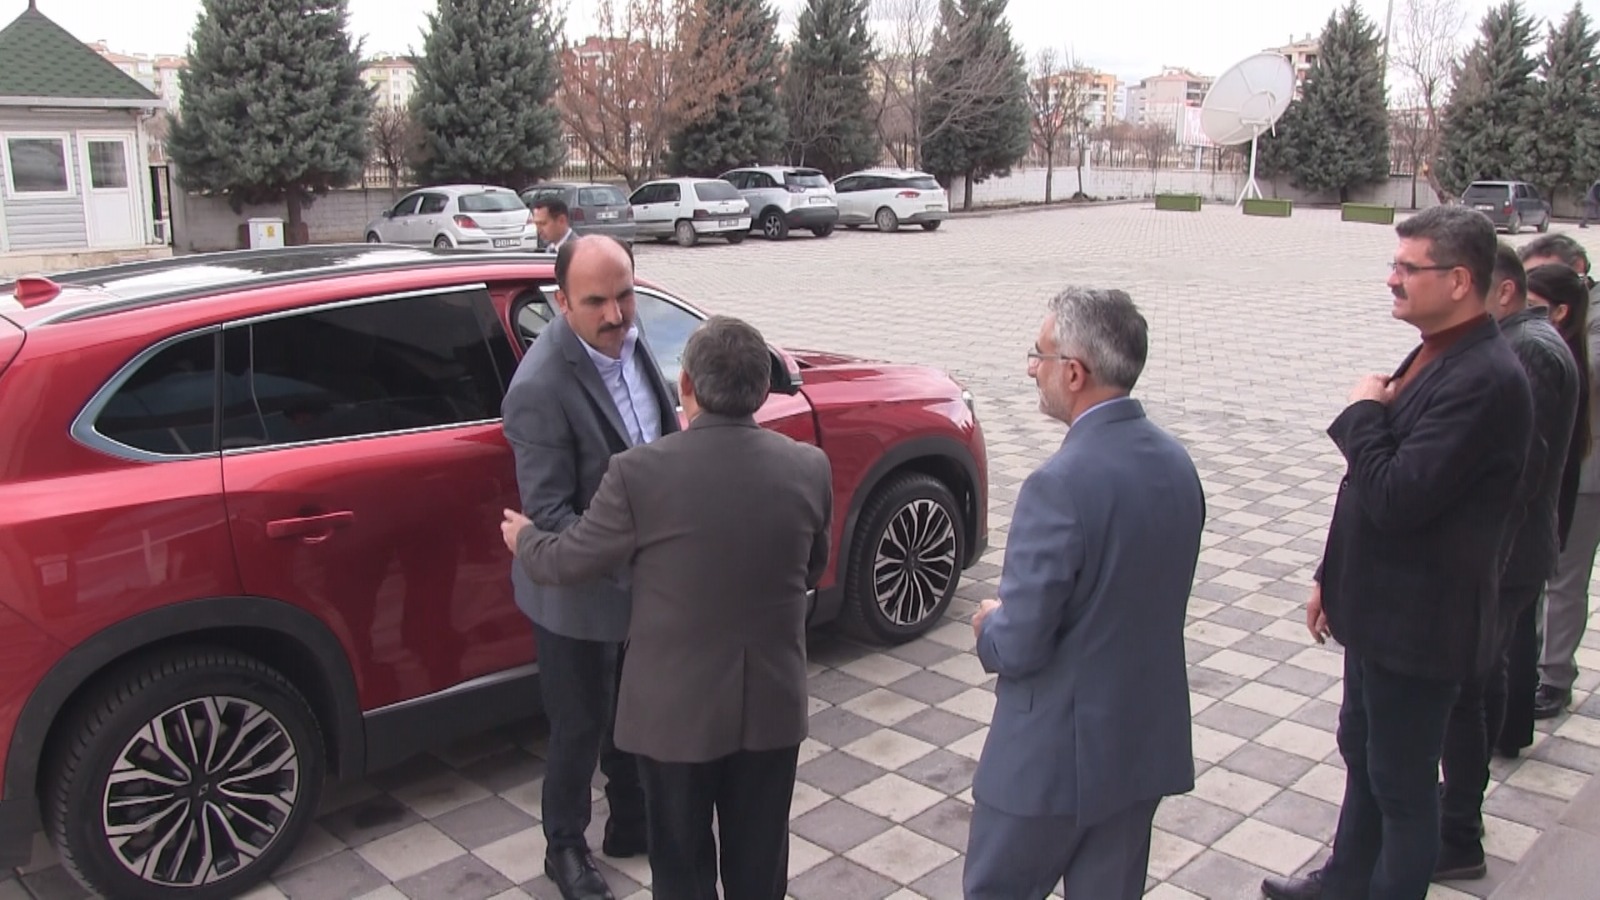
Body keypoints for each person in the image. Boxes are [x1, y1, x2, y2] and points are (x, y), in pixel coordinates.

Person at [501, 315, 832, 900]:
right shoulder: (809, 467)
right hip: (772, 708)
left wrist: (525, 538)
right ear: (761, 389)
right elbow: (810, 568)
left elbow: (569, 561)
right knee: (760, 869)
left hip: (674, 719)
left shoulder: (638, 474)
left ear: (686, 386)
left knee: (681, 868)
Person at [1262, 205, 1533, 900]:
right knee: (1363, 753)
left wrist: (1361, 411)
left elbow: (1396, 494)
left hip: (1420, 627)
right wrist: (1330, 577)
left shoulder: (1485, 378)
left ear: (1460, 281)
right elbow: (1367, 492)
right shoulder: (1439, 347)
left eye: (1409, 268)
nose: (1392, 279)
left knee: (1403, 787)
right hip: (1379, 611)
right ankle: (1344, 881)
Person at [963, 287, 1205, 900]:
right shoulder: (1178, 464)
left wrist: (990, 625)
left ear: (1074, 373)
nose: (1030, 368)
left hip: (1050, 760)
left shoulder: (1057, 485)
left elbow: (1021, 644)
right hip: (1139, 745)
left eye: (1039, 354)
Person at [501, 235, 679, 900]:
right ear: (561, 303)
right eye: (596, 302)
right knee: (578, 727)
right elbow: (550, 518)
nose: (615, 315)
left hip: (641, 584)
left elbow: (659, 440)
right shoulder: (539, 388)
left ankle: (629, 823)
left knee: (632, 712)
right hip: (574, 592)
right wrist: (639, 548)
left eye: (625, 296)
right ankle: (565, 849)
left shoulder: (631, 337)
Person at [1435, 244, 1577, 881]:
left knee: (1467, 690)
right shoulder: (1530, 341)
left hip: (1505, 553)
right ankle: (1460, 807)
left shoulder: (1527, 351)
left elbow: (1520, 468)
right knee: (1482, 677)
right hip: (1510, 549)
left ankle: (1459, 832)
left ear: (1504, 292)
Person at [1521, 237, 1600, 719]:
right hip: (1550, 464)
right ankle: (1528, 663)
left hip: (1587, 468)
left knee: (1565, 578)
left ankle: (1553, 677)